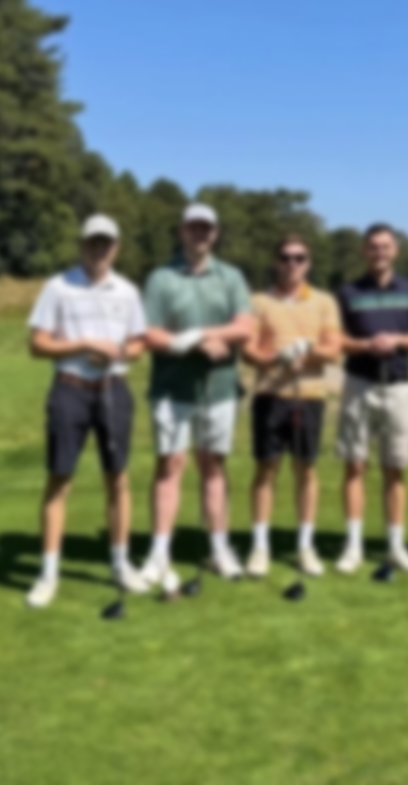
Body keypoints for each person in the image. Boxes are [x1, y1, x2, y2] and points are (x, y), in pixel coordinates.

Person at [24, 214, 149, 608]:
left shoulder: (128, 291)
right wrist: (84, 345)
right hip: (70, 389)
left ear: (116, 248)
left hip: (114, 389)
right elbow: (37, 344)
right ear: (81, 245)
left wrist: (118, 353)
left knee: (118, 479)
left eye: (106, 243)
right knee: (59, 479)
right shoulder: (58, 287)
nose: (99, 249)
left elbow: (138, 344)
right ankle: (48, 573)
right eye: (93, 242)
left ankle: (120, 564)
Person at [140, 203, 255, 589]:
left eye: (206, 228)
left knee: (213, 466)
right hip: (171, 389)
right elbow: (150, 333)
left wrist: (207, 335)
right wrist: (194, 343)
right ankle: (159, 553)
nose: (200, 234)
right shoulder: (161, 278)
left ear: (215, 233)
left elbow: (245, 327)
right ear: (181, 232)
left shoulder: (231, 276)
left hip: (220, 389)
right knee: (170, 466)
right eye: (193, 227)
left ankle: (219, 548)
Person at [241, 234, 343, 577]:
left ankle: (305, 546)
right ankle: (260, 547)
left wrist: (307, 352)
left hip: (309, 396)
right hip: (270, 395)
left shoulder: (324, 301)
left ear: (308, 263)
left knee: (306, 469)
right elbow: (249, 350)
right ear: (276, 261)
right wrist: (277, 358)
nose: (292, 264)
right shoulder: (258, 301)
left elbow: (333, 349)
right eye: (285, 257)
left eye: (299, 258)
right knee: (265, 469)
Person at [333, 223, 408, 575]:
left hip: (398, 386)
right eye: (373, 247)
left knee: (395, 467)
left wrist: (396, 341)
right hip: (359, 383)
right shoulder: (348, 292)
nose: (379, 253)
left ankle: (396, 546)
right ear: (364, 251)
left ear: (396, 250)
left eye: (385, 246)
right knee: (354, 465)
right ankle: (353, 545)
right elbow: (337, 340)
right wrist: (366, 345)